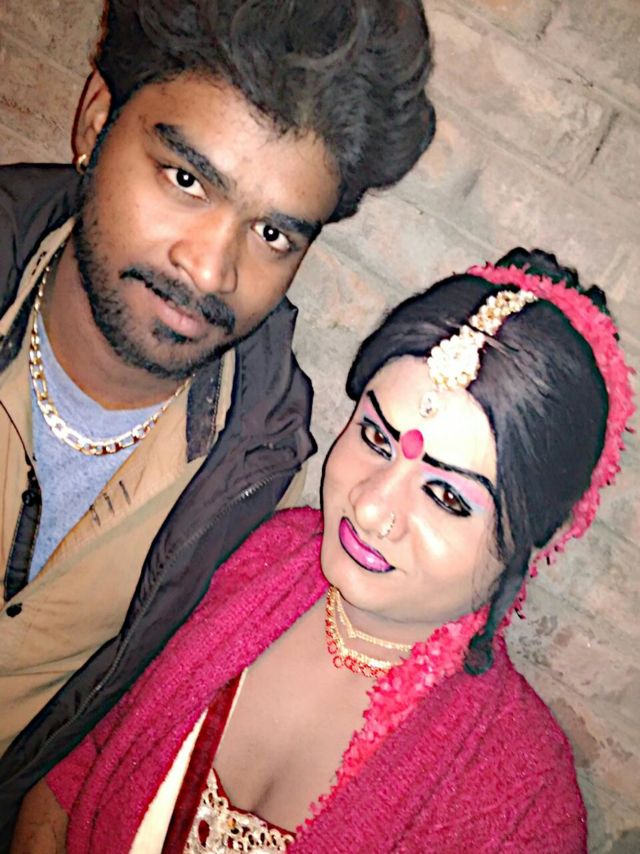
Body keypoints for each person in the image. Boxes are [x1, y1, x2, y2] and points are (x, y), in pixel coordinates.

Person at [12, 249, 634, 852]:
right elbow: (81, 752)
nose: (371, 507)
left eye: (446, 496)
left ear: (531, 539)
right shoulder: (264, 552)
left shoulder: (521, 803)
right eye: (375, 438)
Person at [0, 0, 436, 832]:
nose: (210, 270)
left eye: (272, 234)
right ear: (95, 121)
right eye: (186, 180)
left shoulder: (256, 466)